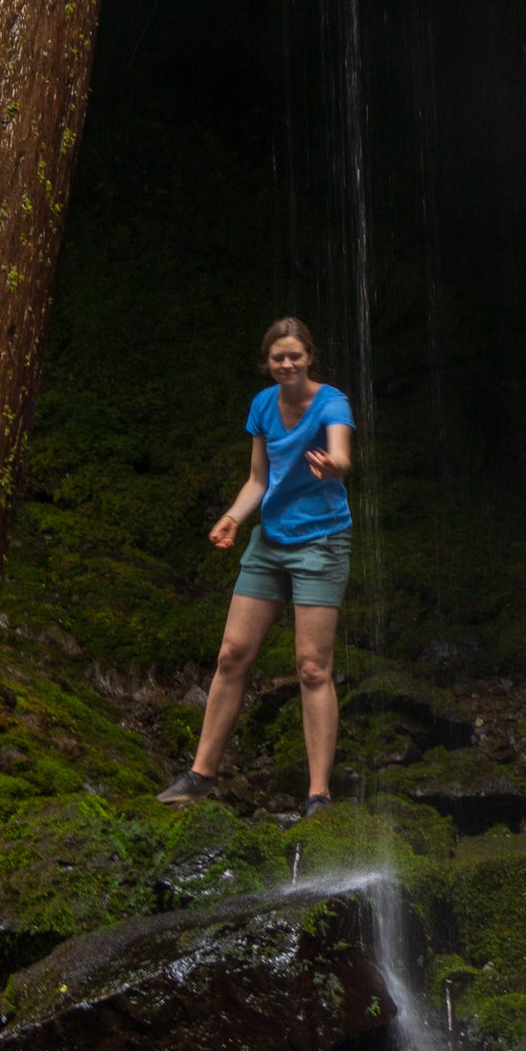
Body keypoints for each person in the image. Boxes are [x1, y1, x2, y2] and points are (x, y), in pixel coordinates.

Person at [159, 316, 354, 811]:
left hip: (321, 541)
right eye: (277, 357)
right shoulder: (262, 405)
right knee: (231, 654)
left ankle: (318, 794)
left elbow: (342, 455)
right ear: (267, 363)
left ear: (310, 357)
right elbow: (257, 480)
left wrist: (333, 465)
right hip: (270, 541)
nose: (286, 364)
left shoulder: (332, 402)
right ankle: (200, 775)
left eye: (295, 356)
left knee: (312, 667)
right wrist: (232, 519)